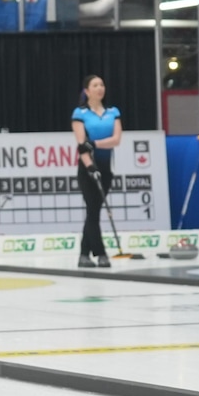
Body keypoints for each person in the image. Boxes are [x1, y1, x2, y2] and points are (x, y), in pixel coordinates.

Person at [71, 75, 121, 268]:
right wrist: (90, 165)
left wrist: (95, 143)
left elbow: (116, 139)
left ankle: (84, 254)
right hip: (88, 169)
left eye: (102, 84)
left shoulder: (113, 112)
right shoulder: (80, 113)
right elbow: (82, 146)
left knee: (94, 211)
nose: (100, 88)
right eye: (95, 85)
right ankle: (100, 253)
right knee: (93, 210)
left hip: (106, 168)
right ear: (87, 91)